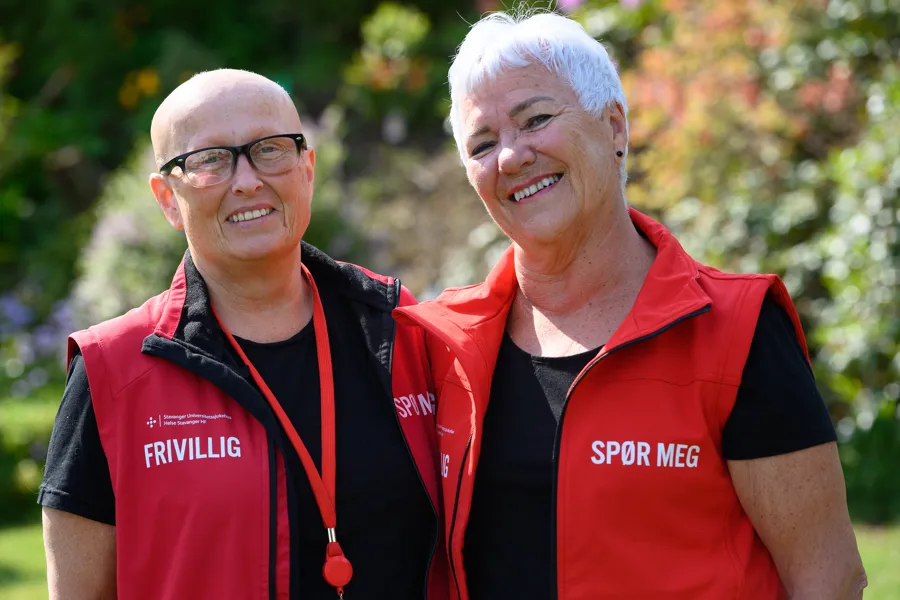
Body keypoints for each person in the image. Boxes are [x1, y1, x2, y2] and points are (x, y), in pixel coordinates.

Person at [394, 10, 867, 600]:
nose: (510, 157)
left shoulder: (737, 329)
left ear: (615, 127)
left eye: (536, 119)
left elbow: (828, 578)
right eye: (482, 143)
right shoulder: (440, 344)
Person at [39, 69, 447, 600]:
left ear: (308, 168)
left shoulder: (402, 329)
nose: (248, 180)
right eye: (209, 160)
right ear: (167, 198)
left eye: (270, 149)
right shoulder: (112, 371)